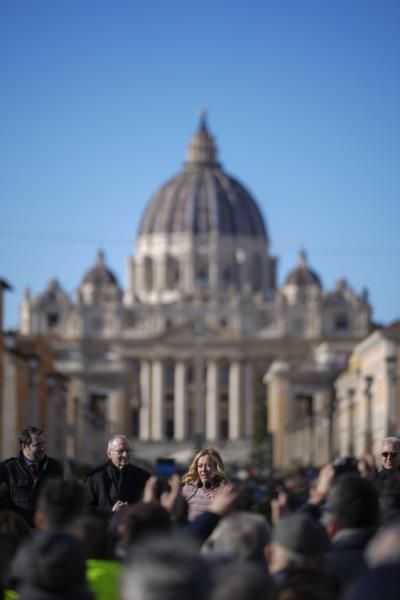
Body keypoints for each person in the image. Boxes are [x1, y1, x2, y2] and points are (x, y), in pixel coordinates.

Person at [0, 426, 63, 527]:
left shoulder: (54, 467)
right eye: (37, 445)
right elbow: (3, 504)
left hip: (45, 531)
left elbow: (59, 500)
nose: (42, 448)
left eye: (44, 443)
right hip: (18, 531)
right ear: (24, 446)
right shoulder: (8, 469)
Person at [84, 434, 151, 522]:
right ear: (109, 453)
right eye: (120, 451)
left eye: (128, 450)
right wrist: (111, 510)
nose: (125, 455)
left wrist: (131, 509)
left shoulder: (143, 476)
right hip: (103, 531)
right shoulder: (94, 477)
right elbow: (85, 509)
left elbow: (149, 506)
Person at [182, 448, 227, 521]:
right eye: (200, 466)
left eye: (208, 465)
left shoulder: (224, 491)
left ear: (216, 468)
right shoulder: (187, 489)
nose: (203, 469)